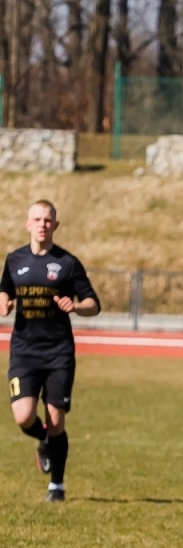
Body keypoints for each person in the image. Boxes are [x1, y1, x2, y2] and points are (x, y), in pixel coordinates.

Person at [0, 200, 99, 502]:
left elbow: (94, 304)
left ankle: (57, 485)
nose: (42, 224)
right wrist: (4, 301)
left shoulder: (68, 263)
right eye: (37, 219)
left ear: (55, 225)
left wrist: (77, 306)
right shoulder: (14, 260)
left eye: (48, 220)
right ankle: (43, 439)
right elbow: (5, 288)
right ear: (27, 224)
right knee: (23, 416)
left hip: (58, 353)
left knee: (56, 421)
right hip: (24, 352)